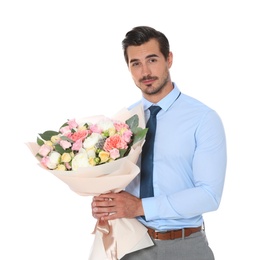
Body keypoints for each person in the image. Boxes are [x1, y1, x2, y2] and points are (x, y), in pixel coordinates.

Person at [91, 26, 227, 260]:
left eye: (152, 59)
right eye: (136, 63)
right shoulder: (122, 122)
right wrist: (106, 203)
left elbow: (209, 195)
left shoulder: (203, 119)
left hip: (184, 246)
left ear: (169, 59)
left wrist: (140, 207)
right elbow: (117, 182)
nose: (145, 71)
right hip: (131, 243)